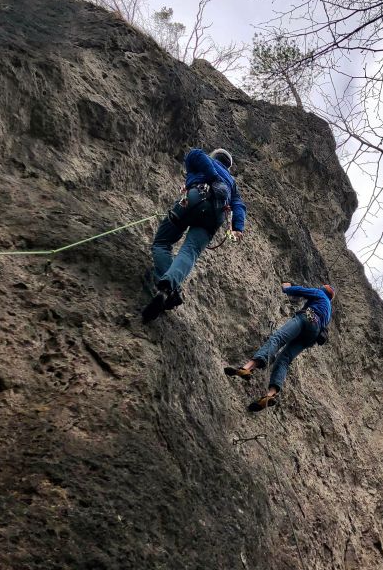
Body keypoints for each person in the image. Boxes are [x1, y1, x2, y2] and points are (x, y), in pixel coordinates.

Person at [142, 147, 246, 322]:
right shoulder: (231, 183)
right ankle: (169, 287)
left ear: (214, 155)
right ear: (228, 167)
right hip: (216, 216)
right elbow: (239, 206)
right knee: (190, 251)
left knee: (162, 243)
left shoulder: (206, 159)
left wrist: (212, 177)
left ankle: (169, 286)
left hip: (196, 197)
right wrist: (238, 227)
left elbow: (196, 154)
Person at [225, 282, 335, 411]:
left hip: (307, 318)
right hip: (312, 335)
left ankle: (247, 368)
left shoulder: (320, 293)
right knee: (285, 359)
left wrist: (286, 288)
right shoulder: (328, 310)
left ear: (323, 289)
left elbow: (300, 290)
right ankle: (270, 394)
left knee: (278, 339)